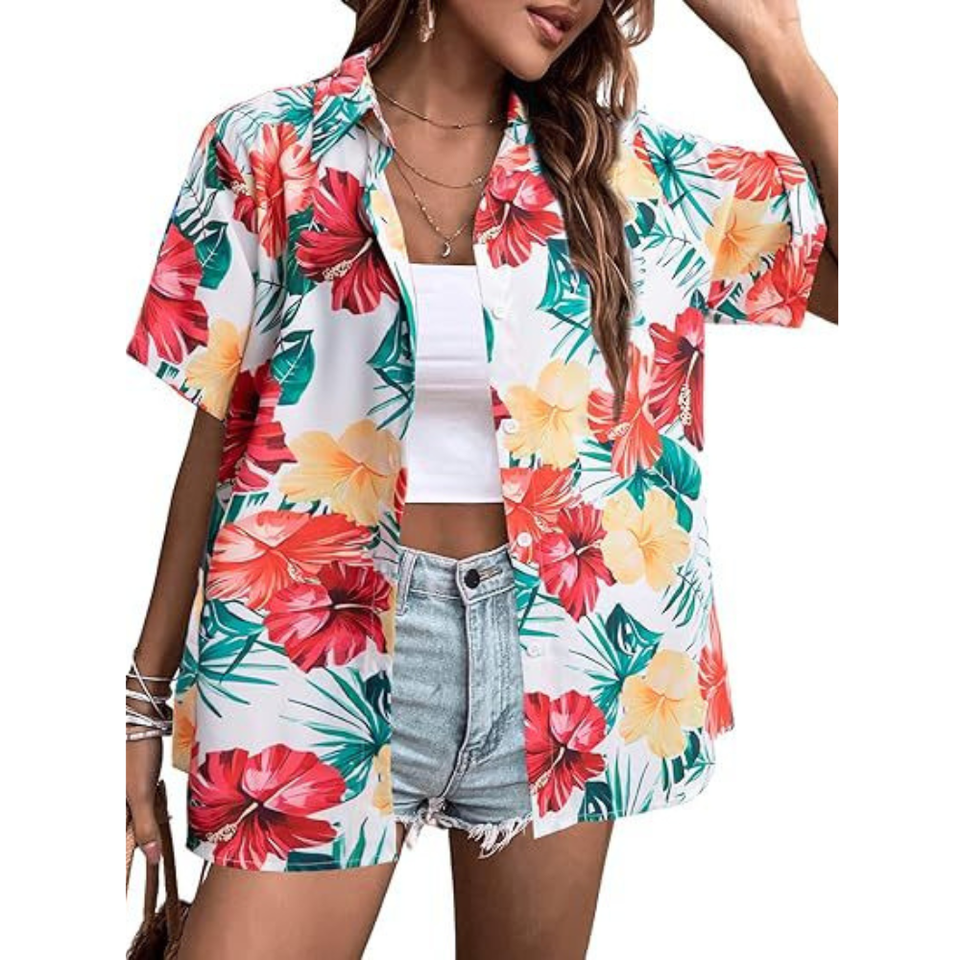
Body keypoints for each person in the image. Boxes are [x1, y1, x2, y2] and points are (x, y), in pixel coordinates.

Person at [124, 0, 838, 956]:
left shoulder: (638, 174)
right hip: (312, 645)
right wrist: (145, 694)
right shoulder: (267, 146)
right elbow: (218, 429)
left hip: (561, 656)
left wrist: (775, 45)